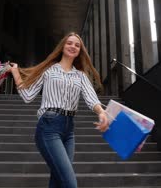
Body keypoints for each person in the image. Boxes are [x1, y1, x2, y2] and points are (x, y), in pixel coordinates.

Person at [9, 32, 109, 188]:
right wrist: (16, 73)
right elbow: (28, 96)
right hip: (49, 126)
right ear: (62, 46)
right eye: (69, 43)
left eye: (77, 45)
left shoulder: (80, 76)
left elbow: (92, 99)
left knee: (58, 181)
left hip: (69, 130)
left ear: (80, 51)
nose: (73, 47)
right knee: (70, 183)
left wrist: (101, 112)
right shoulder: (48, 70)